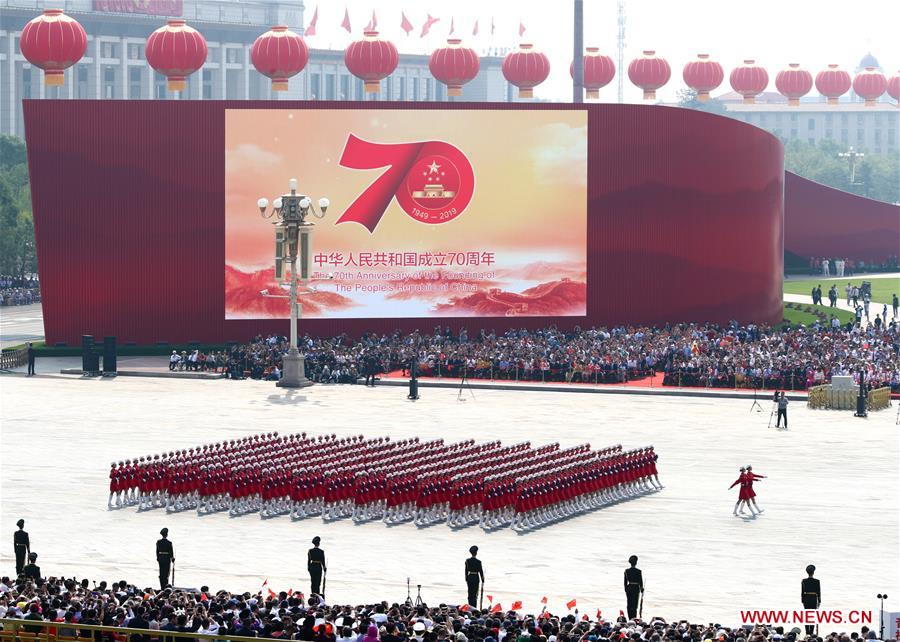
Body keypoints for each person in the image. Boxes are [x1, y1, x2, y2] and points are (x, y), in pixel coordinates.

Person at [801, 564, 821, 636]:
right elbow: (818, 592)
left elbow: (802, 592)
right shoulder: (817, 581)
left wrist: (803, 601)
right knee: (812, 616)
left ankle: (807, 632)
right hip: (813, 598)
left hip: (806, 598)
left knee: (807, 615)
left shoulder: (804, 581)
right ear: (813, 572)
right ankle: (812, 632)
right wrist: (819, 601)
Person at [624, 555, 643, 619]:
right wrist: (641, 588)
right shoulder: (638, 571)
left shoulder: (626, 571)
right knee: (635, 605)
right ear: (636, 562)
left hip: (629, 588)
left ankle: (630, 618)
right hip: (636, 588)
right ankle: (634, 618)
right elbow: (640, 581)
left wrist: (626, 589)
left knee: (629, 604)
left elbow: (625, 582)